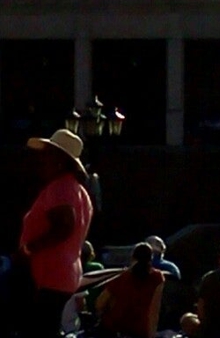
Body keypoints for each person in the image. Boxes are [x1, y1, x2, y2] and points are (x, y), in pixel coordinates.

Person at [14, 128, 93, 337]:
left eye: (48, 153)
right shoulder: (78, 190)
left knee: (39, 329)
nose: (42, 159)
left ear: (60, 160)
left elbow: (64, 227)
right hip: (63, 273)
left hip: (50, 274)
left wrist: (29, 248)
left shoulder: (62, 187)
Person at [95, 242, 165, 338]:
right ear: (151, 259)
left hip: (114, 327)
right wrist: (151, 334)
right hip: (139, 329)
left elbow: (100, 303)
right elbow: (154, 309)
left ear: (132, 257)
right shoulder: (157, 278)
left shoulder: (121, 276)